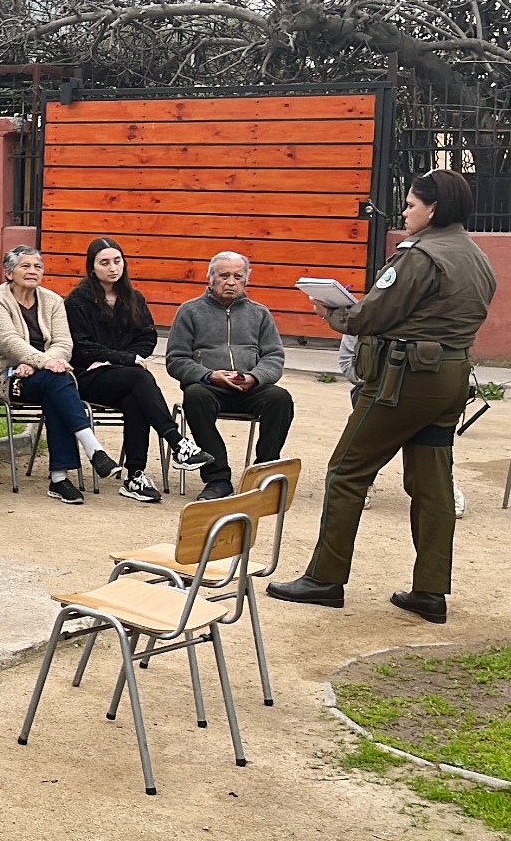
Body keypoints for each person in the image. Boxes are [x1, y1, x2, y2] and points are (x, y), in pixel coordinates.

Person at [269, 170, 498, 624]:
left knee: (346, 471)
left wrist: (334, 311)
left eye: (412, 205)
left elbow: (372, 314)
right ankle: (431, 591)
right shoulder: (476, 256)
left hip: (404, 378)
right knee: (431, 484)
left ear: (432, 209)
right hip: (451, 375)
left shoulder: (420, 255)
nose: (407, 212)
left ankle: (325, 579)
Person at [65, 237, 214, 502]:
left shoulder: (133, 297)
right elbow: (81, 347)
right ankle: (177, 442)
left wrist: (118, 360)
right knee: (139, 377)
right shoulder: (77, 300)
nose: (113, 268)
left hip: (123, 376)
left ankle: (135, 476)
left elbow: (147, 338)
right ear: (92, 268)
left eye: (117, 261)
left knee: (136, 398)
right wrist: (125, 359)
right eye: (104, 262)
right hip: (87, 376)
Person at [0, 246, 116, 504]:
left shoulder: (53, 300)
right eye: (25, 266)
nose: (33, 271)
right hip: (7, 378)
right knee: (58, 381)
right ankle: (82, 457)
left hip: (42, 376)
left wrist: (39, 364)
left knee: (56, 385)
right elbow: (9, 342)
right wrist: (44, 362)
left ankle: (61, 477)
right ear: (9, 273)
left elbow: (65, 344)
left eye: (37, 266)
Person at [164, 252, 295, 501]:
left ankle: (262, 473)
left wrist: (255, 377)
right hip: (209, 387)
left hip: (250, 387)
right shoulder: (189, 311)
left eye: (238, 276)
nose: (231, 282)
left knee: (280, 398)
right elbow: (176, 359)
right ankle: (217, 478)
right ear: (211, 278)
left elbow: (274, 357)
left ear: (246, 280)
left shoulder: (260, 314)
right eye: (224, 275)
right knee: (195, 396)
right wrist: (209, 375)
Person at [337, 333, 466, 516]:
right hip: (377, 387)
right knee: (365, 401)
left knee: (436, 411)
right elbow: (347, 363)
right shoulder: (367, 312)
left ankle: (441, 483)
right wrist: (378, 381)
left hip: (428, 385)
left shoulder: (437, 316)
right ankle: (362, 478)